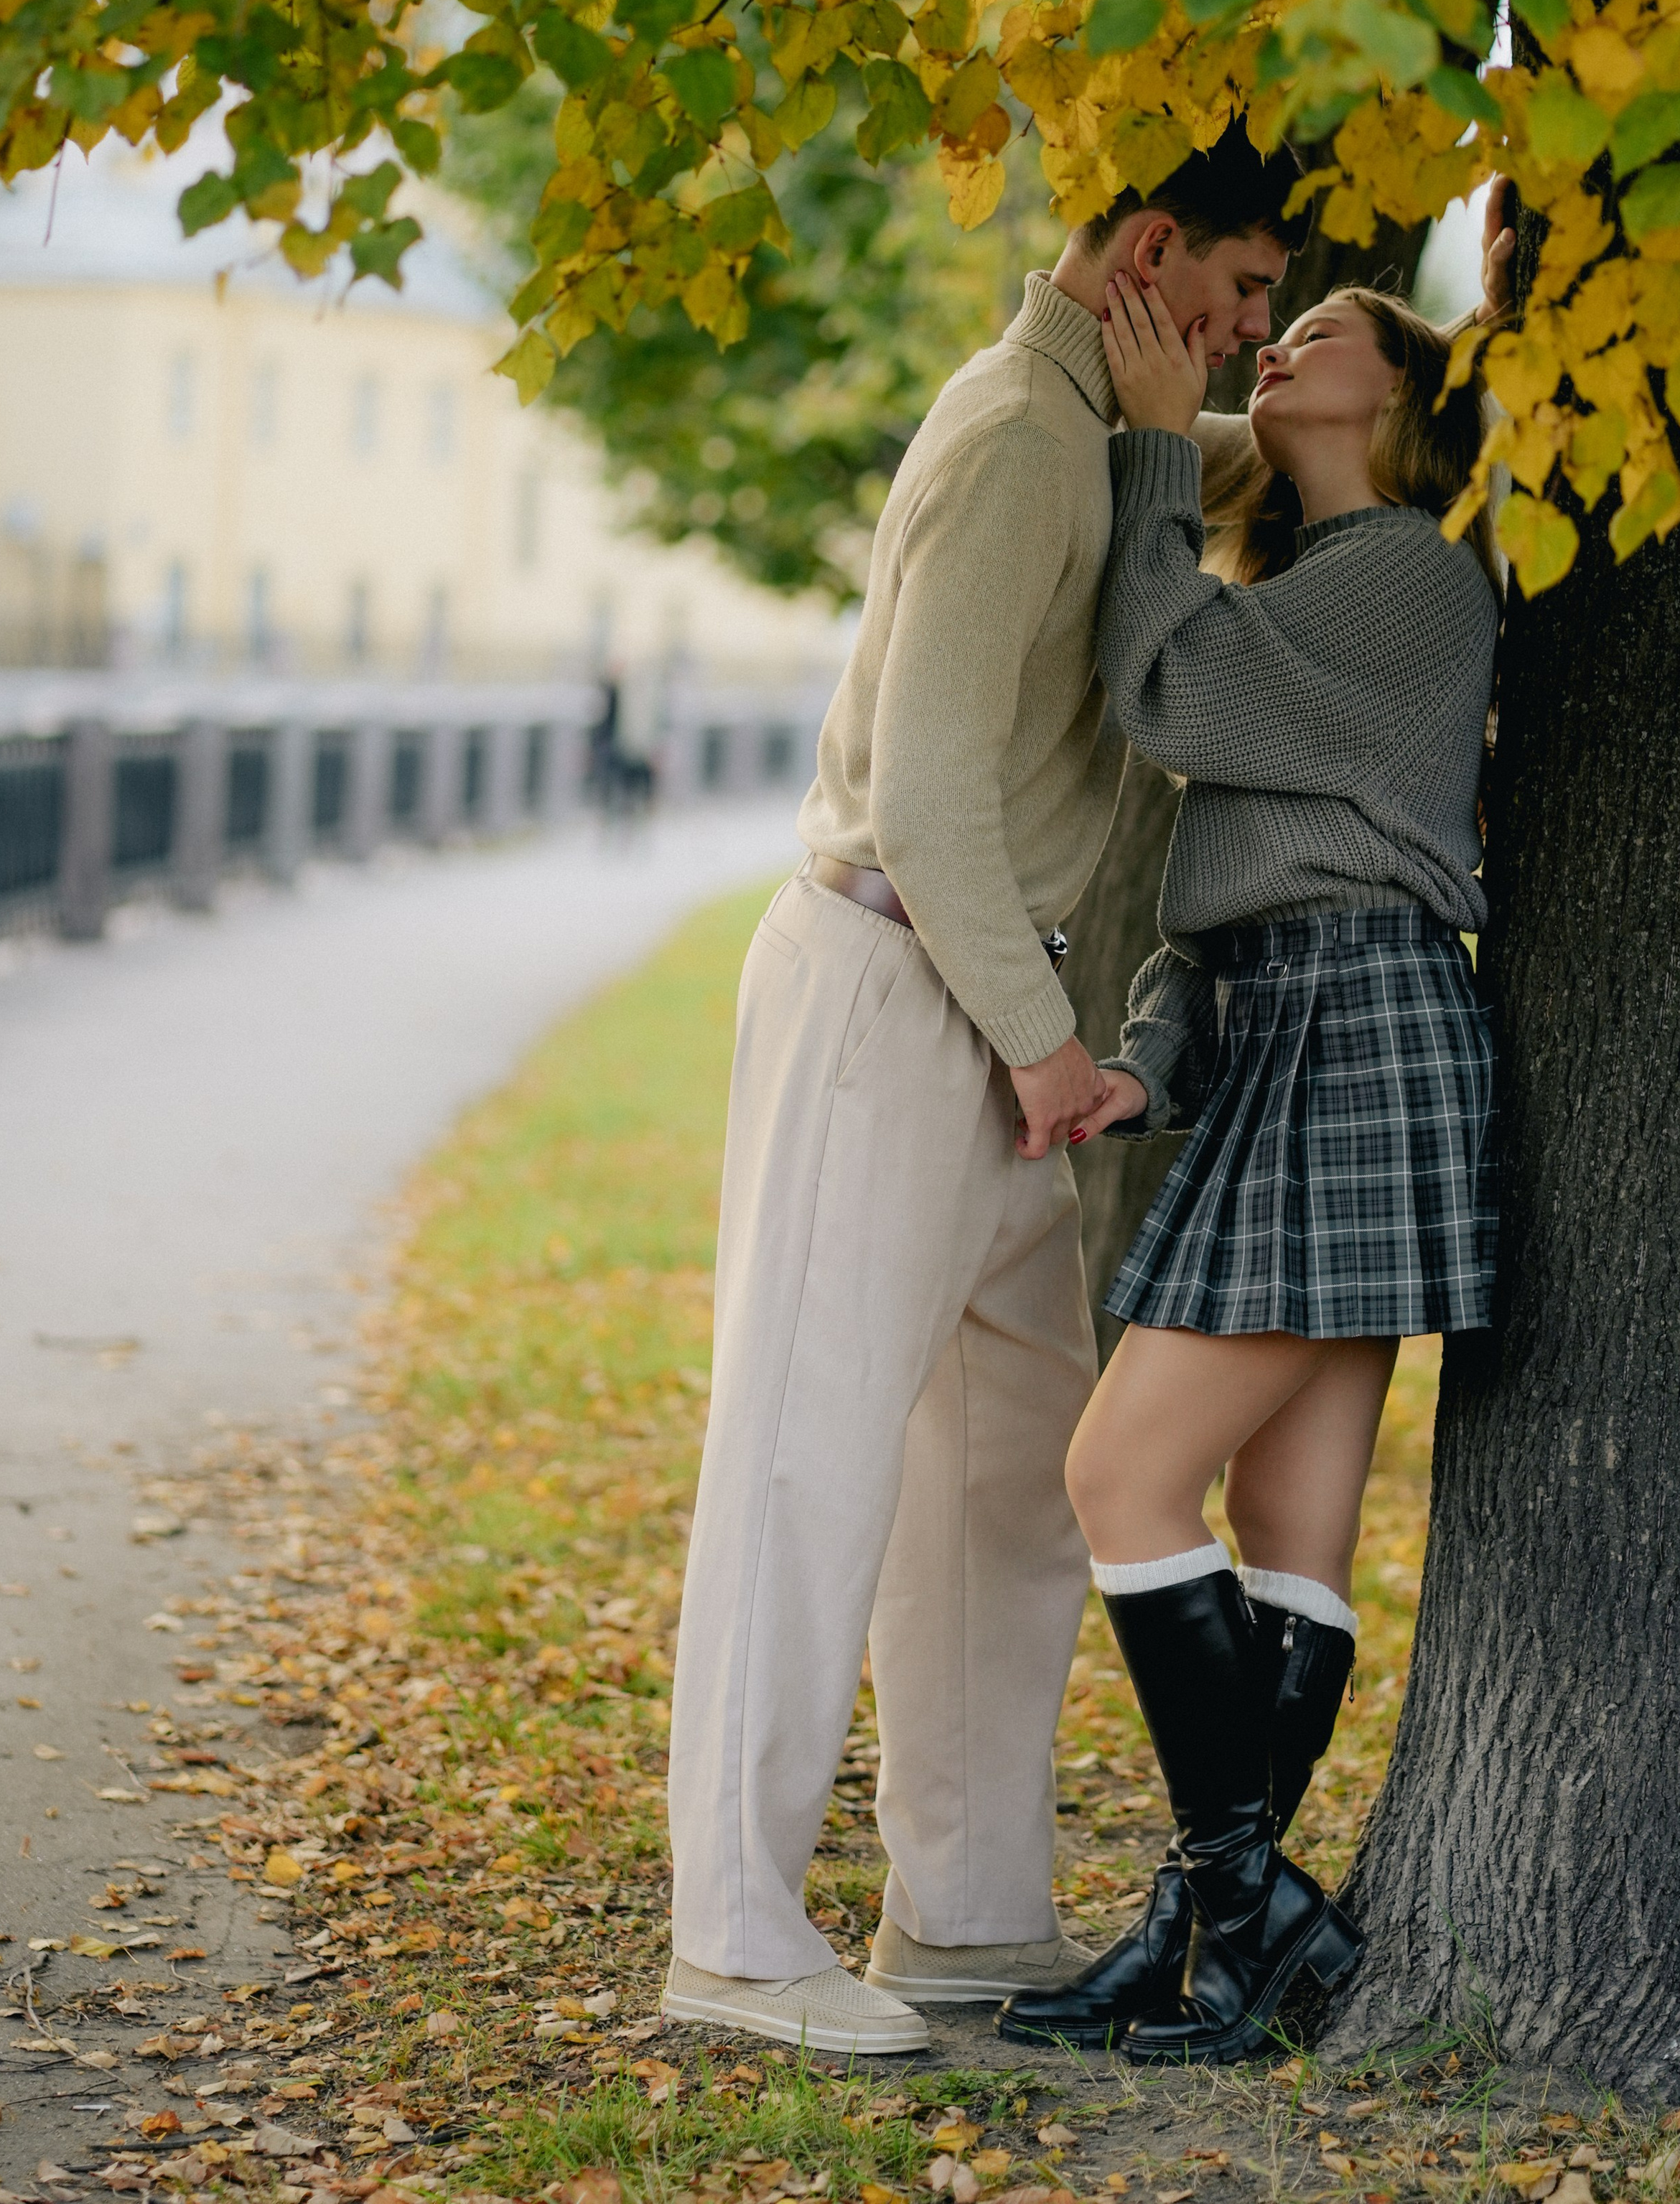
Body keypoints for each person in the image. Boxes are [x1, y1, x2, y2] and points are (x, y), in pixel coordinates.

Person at [661, 124, 1307, 2055]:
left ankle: (966, 1917)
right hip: (897, 988)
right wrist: (1047, 1051)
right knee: (809, 1458)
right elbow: (929, 791)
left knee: (997, 1484)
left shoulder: (1105, 431)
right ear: (1154, 251)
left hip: (990, 1017)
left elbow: (1249, 475)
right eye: (1247, 295)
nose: (1258, 337)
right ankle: (737, 1936)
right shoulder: (1020, 441)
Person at [998, 269, 1503, 2065]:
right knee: (1287, 1535)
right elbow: (1213, 895)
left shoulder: (1407, 578)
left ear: (1402, 400)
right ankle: (1209, 1947)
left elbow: (1169, 696)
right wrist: (1142, 1065)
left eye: (1331, 335)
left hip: (1357, 1037)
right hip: (1290, 1031)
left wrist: (1148, 446)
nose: (1283, 346)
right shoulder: (1300, 585)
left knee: (1115, 1476)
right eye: (1276, 334)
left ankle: (1247, 1920)